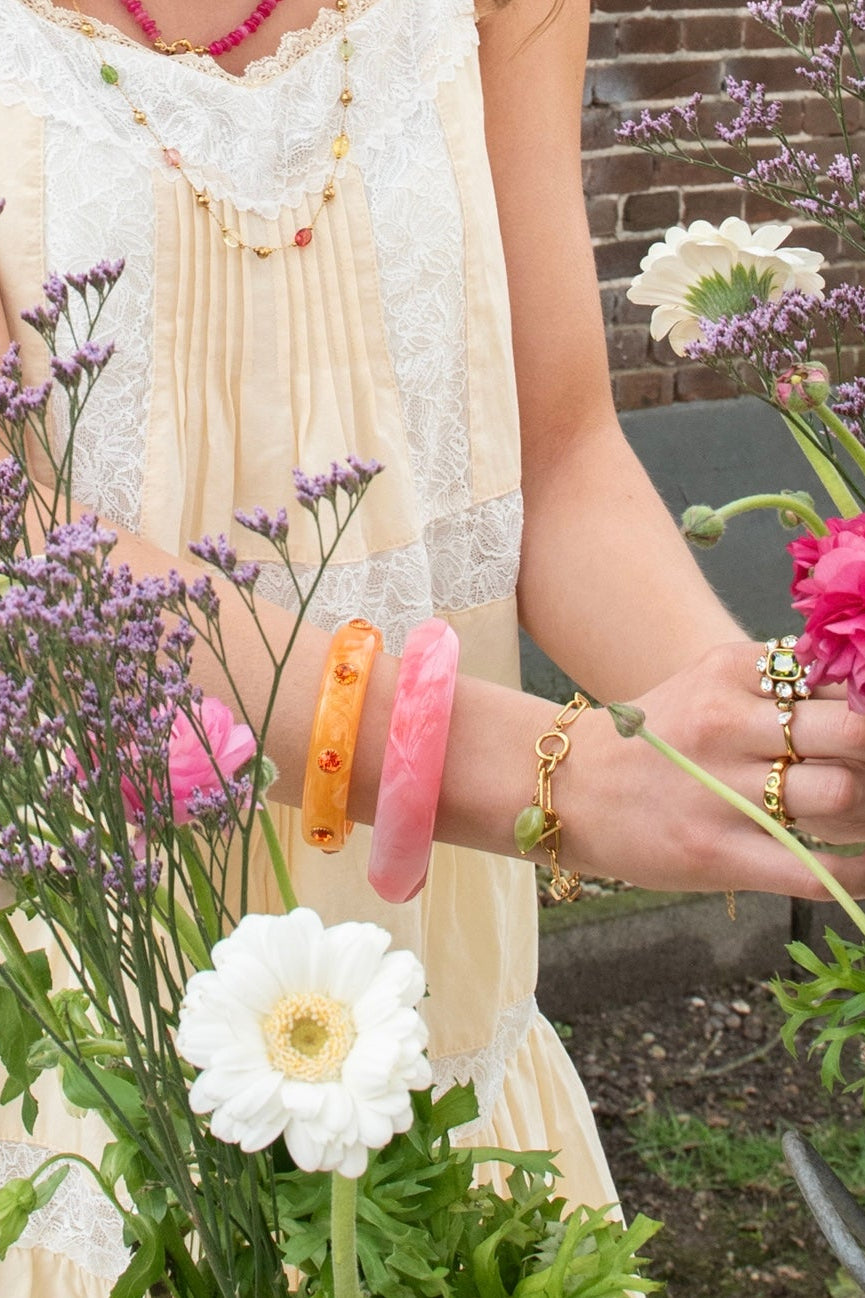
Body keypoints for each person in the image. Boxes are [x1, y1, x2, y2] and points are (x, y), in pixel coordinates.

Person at [1, 0, 865, 1292]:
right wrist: (559, 776)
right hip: (105, 1026)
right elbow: (39, 564)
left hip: (440, 1014)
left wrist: (776, 757)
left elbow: (559, 460)